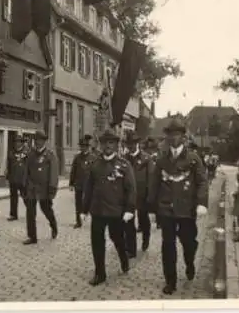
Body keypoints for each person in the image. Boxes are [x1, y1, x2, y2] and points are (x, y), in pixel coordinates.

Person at [148, 119, 208, 295]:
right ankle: (170, 281)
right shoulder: (161, 159)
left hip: (187, 209)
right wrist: (152, 209)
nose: (174, 138)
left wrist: (201, 203)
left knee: (188, 242)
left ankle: (189, 262)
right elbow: (154, 184)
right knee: (168, 245)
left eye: (177, 134)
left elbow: (202, 182)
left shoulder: (193, 158)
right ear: (166, 137)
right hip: (166, 208)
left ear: (183, 137)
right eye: (170, 135)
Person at [81, 129, 137, 286]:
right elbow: (89, 188)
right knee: (97, 241)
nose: (107, 146)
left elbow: (131, 189)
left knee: (117, 238)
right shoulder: (95, 164)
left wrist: (129, 210)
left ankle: (124, 259)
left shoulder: (124, 165)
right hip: (98, 210)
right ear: (100, 145)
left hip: (116, 211)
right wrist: (84, 210)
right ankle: (100, 273)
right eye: (105, 143)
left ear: (116, 145)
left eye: (111, 143)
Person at [22, 130, 59, 245]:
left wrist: (52, 188)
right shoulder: (30, 154)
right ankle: (32, 237)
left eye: (40, 140)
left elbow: (54, 173)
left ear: (44, 142)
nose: (38, 142)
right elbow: (26, 171)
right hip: (32, 188)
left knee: (46, 210)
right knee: (30, 212)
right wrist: (24, 185)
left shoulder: (50, 155)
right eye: (36, 140)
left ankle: (53, 225)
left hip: (45, 188)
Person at [122, 131, 154, 256]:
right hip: (129, 195)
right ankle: (131, 249)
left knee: (143, 219)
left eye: (133, 144)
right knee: (128, 221)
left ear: (138, 144)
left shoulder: (146, 158)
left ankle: (146, 239)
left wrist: (150, 195)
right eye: (128, 144)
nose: (131, 146)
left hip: (142, 194)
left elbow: (151, 178)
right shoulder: (124, 159)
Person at [69, 134, 97, 228]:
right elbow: (73, 170)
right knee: (78, 204)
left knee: (91, 202)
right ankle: (78, 221)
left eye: (85, 146)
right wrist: (71, 183)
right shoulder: (77, 157)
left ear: (88, 147)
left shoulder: (93, 158)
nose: (83, 148)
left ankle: (93, 219)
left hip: (89, 185)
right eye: (82, 146)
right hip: (79, 184)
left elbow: (96, 172)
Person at [5, 135, 29, 221]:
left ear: (22, 143)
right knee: (13, 198)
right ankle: (13, 215)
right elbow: (9, 166)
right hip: (13, 179)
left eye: (19, 142)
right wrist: (8, 177)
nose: (17, 144)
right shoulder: (11, 153)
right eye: (15, 142)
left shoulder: (26, 153)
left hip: (23, 179)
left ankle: (31, 213)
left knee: (25, 197)